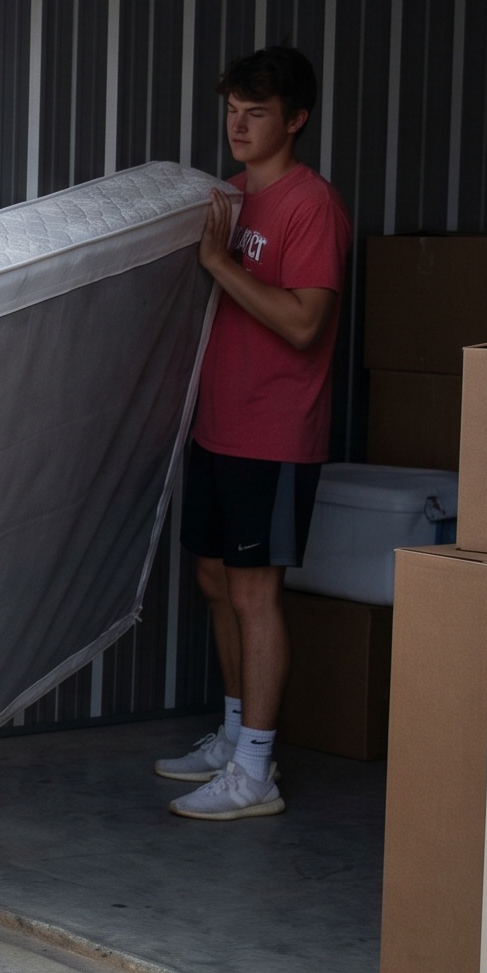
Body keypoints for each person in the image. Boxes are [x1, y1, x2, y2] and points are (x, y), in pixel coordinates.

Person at [155, 46, 349, 822]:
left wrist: (218, 263)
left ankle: (257, 770)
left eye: (257, 111)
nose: (239, 123)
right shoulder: (226, 199)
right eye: (233, 108)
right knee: (212, 580)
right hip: (218, 425)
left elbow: (305, 323)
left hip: (275, 431)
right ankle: (234, 737)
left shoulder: (311, 206)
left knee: (255, 592)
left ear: (295, 120)